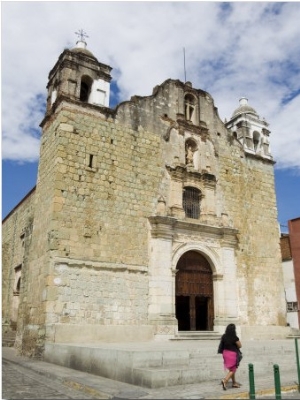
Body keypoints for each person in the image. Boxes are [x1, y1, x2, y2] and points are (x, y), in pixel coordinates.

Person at [219, 323, 242, 390]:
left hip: (225, 353)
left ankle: (234, 383)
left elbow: (222, 345)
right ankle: (225, 380)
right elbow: (240, 345)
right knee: (233, 369)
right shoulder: (234, 337)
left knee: (231, 369)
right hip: (232, 354)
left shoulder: (224, 336)